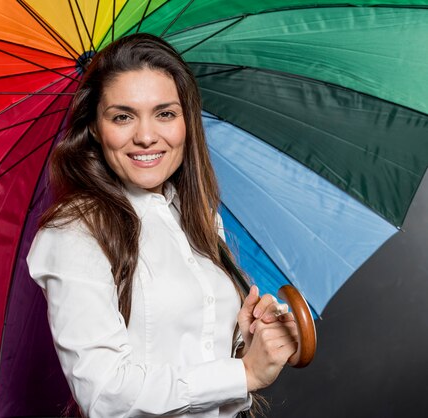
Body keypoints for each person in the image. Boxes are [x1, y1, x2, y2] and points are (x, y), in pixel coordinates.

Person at [27, 33, 298, 418]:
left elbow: (191, 352)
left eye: (165, 113)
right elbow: (104, 395)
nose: (146, 136)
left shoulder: (199, 217)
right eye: (122, 116)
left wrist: (241, 341)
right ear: (95, 129)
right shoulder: (75, 231)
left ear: (187, 121)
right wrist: (242, 373)